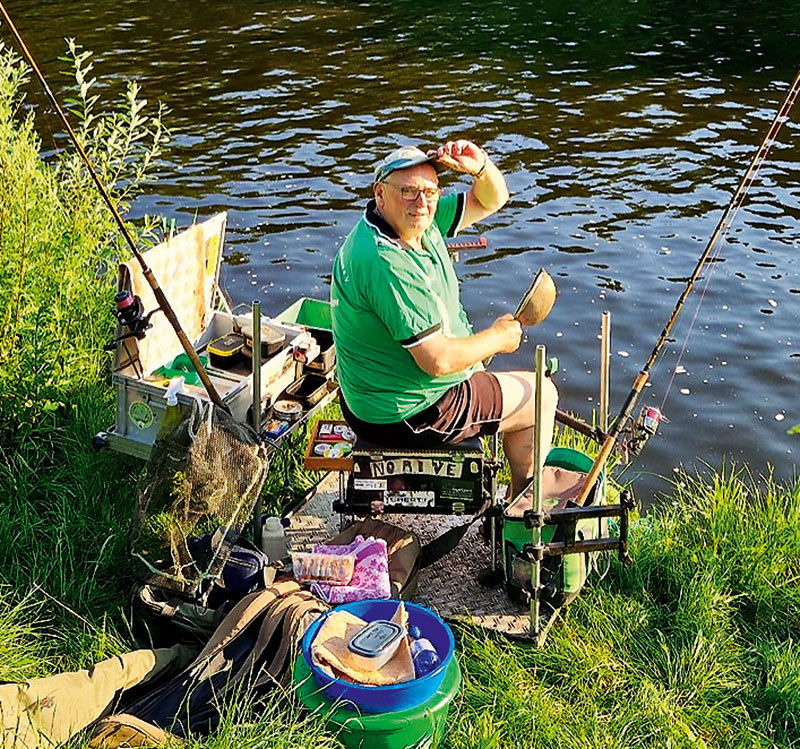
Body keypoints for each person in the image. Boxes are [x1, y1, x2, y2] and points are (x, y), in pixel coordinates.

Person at [330, 140, 558, 499]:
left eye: (430, 192)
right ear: (380, 193)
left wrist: (479, 166)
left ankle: (517, 497)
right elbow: (438, 360)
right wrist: (499, 337)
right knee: (541, 395)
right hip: (408, 413)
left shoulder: (417, 223)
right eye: (408, 191)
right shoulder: (386, 260)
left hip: (374, 398)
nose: (421, 202)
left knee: (499, 378)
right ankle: (523, 508)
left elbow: (492, 199)